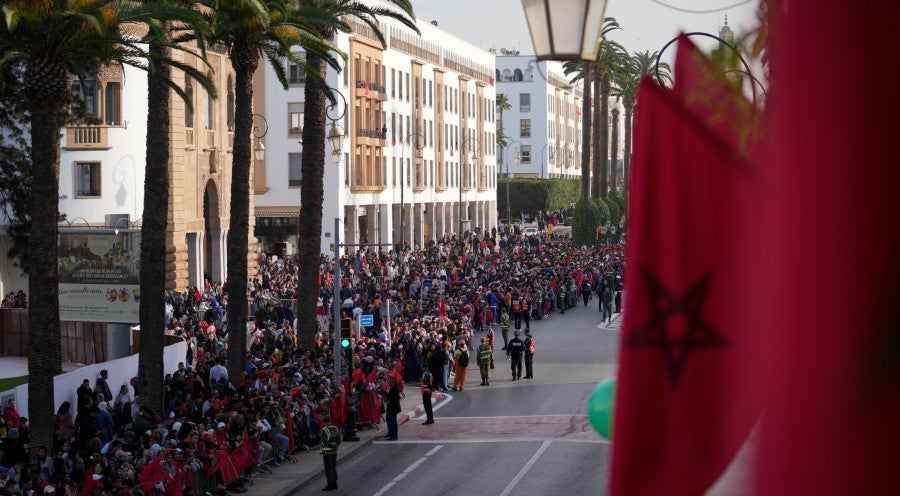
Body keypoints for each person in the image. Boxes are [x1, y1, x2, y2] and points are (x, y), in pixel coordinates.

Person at [320, 414, 341, 491]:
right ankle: (335, 483)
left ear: (324, 422)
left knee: (328, 469)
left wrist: (331, 446)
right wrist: (336, 445)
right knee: (334, 467)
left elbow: (325, 442)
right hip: (334, 451)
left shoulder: (324, 430)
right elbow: (339, 439)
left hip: (327, 452)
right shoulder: (335, 428)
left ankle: (330, 484)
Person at [384, 376, 401, 441]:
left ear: (393, 382)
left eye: (390, 381)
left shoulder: (395, 389)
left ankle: (394, 435)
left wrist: (384, 391)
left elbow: (390, 397)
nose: (389, 382)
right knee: (388, 419)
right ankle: (390, 432)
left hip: (393, 407)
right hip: (390, 406)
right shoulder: (392, 388)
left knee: (393, 421)